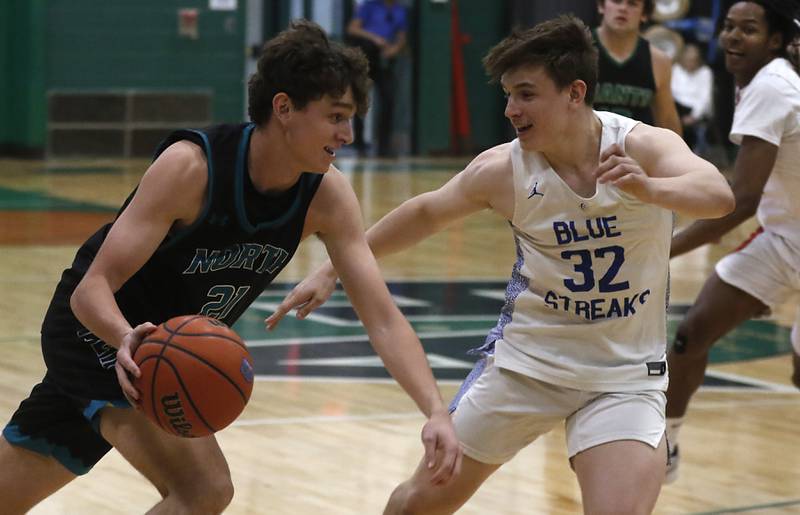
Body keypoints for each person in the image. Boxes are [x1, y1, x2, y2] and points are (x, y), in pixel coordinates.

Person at [267, 15, 734, 514]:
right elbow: (425, 212)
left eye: (527, 94)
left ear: (575, 92)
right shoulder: (503, 170)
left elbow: (719, 195)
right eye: (508, 95)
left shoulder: (643, 146)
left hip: (623, 378)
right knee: (415, 506)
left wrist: (651, 189)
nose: (511, 109)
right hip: (525, 368)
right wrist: (332, 269)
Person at [0, 20, 461, 514]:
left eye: (351, 120)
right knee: (204, 491)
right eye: (336, 117)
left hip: (160, 351)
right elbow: (91, 290)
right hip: (98, 334)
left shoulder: (326, 196)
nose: (348, 135)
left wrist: (436, 410)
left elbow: (382, 318)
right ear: (283, 108)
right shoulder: (192, 168)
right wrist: (124, 337)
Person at [664, 0, 800, 484]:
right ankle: (667, 446)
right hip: (785, 238)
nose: (733, 37)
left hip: (784, 234)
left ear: (777, 40)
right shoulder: (764, 81)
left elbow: (738, 201)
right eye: (728, 27)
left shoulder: (773, 87)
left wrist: (664, 250)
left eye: (749, 29)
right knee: (689, 336)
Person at [593, 0, 683, 135]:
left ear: (644, 14)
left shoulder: (659, 61)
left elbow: (668, 124)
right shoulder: (578, 50)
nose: (623, 8)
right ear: (601, 6)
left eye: (632, 3)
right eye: (616, 1)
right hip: (584, 149)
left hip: (634, 152)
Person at [346, 0, 408, 157]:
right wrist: (374, 38)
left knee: (388, 99)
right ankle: (359, 143)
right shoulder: (368, 6)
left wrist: (393, 50)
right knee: (360, 98)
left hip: (383, 59)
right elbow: (353, 28)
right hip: (366, 55)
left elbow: (401, 38)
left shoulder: (400, 10)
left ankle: (384, 146)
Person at [671, 43, 714, 152]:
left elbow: (705, 99)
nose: (690, 63)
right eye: (688, 59)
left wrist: (694, 116)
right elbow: (671, 92)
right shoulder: (676, 70)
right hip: (678, 108)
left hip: (695, 112)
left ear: (698, 60)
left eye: (693, 60)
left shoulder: (705, 72)